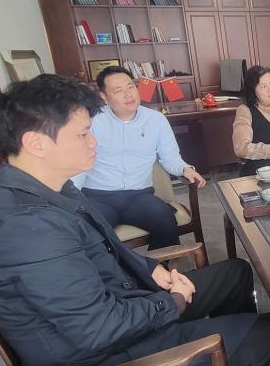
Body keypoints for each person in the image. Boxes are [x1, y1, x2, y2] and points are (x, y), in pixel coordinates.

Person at [0, 74, 270, 366]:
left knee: (234, 274)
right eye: (82, 134)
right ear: (36, 143)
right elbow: (97, 330)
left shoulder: (50, 188)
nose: (94, 142)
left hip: (119, 313)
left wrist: (150, 270)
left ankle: (236, 359)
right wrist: (171, 302)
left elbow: (108, 247)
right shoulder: (25, 229)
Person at [74, 66, 206, 250]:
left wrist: (185, 169)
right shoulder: (92, 121)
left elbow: (170, 157)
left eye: (130, 87)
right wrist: (67, 195)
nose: (128, 94)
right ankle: (116, 269)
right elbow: (77, 162)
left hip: (138, 196)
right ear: (104, 97)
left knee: (165, 219)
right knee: (90, 232)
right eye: (118, 91)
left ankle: (159, 267)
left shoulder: (156, 120)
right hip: (98, 196)